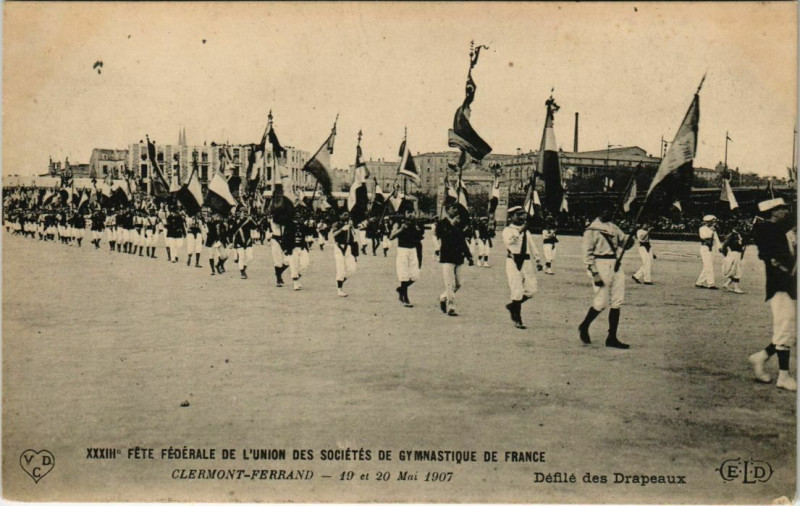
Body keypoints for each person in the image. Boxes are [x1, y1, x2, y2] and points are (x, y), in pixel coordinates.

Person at [748, 198, 797, 391]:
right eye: (782, 208)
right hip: (780, 285)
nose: (786, 211)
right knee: (785, 327)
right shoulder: (767, 230)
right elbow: (775, 258)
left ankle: (761, 357)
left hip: (788, 284)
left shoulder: (777, 230)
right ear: (773, 212)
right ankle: (783, 376)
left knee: (786, 328)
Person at [578, 206, 634, 349]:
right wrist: (594, 273)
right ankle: (584, 325)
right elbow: (587, 254)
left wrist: (631, 236)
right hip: (600, 264)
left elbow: (625, 244)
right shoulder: (591, 230)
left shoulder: (614, 227)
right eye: (608, 209)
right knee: (601, 302)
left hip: (615, 264)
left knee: (617, 301)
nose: (611, 212)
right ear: (600, 211)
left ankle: (612, 337)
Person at [502, 206, 543, 329]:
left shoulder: (526, 231)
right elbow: (510, 242)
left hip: (526, 261)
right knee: (517, 290)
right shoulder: (507, 230)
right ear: (511, 217)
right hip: (513, 261)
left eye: (522, 214)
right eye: (518, 215)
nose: (522, 217)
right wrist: (520, 232)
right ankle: (518, 319)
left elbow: (532, 245)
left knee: (531, 290)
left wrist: (538, 259)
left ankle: (512, 306)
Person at [436, 202, 470, 316]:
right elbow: (444, 238)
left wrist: (468, 255)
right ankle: (451, 307)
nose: (455, 210)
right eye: (453, 208)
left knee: (459, 283)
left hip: (458, 257)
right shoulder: (441, 224)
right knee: (450, 284)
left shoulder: (459, 223)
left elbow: (462, 240)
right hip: (447, 257)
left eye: (456, 208)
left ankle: (443, 297)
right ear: (447, 210)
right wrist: (452, 225)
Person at [390, 206, 424, 307]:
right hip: (403, 250)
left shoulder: (416, 223)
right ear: (404, 213)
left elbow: (420, 237)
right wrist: (401, 229)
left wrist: (418, 229)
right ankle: (405, 298)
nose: (410, 215)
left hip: (413, 250)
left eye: (412, 212)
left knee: (415, 275)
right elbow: (391, 236)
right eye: (408, 212)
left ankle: (401, 290)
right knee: (404, 274)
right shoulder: (399, 223)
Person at [330, 211, 358, 297]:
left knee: (352, 269)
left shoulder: (350, 225)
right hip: (339, 247)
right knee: (340, 268)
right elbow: (334, 234)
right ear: (340, 215)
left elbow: (354, 238)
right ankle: (339, 289)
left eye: (348, 215)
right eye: (344, 214)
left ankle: (340, 281)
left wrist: (355, 253)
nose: (347, 216)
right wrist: (342, 229)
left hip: (348, 247)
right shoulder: (336, 224)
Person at [695, 215, 722, 289]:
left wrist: (720, 247)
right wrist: (711, 231)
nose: (714, 223)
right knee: (709, 266)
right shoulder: (702, 229)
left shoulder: (713, 229)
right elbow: (705, 237)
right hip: (705, 248)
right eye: (713, 222)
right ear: (708, 222)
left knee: (707, 265)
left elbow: (716, 239)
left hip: (711, 248)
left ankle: (699, 282)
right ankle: (711, 284)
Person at [232, 207, 257, 279]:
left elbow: (255, 226)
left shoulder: (249, 221)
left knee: (250, 257)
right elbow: (233, 231)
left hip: (248, 241)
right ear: (240, 213)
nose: (244, 214)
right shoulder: (236, 221)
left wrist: (252, 219)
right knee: (242, 257)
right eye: (243, 212)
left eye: (245, 212)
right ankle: (242, 272)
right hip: (239, 241)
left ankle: (244, 267)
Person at [720, 227, 745, 294]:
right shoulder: (732, 236)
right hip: (734, 254)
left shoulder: (739, 235)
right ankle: (736, 288)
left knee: (735, 270)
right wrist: (725, 255)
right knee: (737, 271)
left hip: (737, 254)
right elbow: (725, 245)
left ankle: (727, 284)